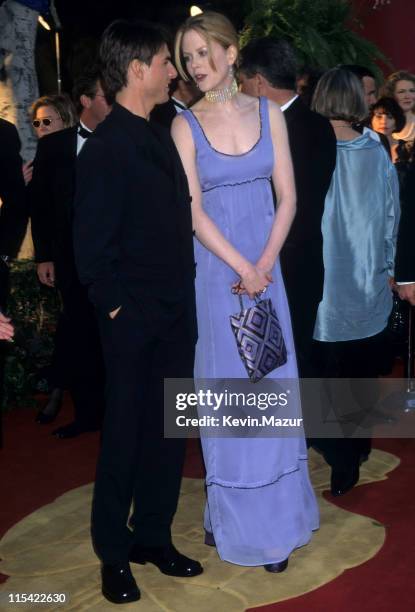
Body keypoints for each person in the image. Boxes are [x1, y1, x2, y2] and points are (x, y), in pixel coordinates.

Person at [172, 11, 318, 571]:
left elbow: (289, 197)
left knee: (271, 390)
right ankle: (234, 519)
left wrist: (263, 265)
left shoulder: (268, 113)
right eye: (187, 58)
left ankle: (275, 524)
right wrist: (242, 266)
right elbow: (192, 211)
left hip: (266, 270)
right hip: (216, 274)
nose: (195, 65)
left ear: (232, 53)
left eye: (204, 52)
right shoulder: (184, 125)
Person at [73, 20, 203, 604]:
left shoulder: (160, 131)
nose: (172, 70)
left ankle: (153, 537)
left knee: (169, 436)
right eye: (163, 61)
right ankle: (113, 553)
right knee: (124, 439)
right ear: (136, 71)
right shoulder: (106, 147)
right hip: (134, 323)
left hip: (178, 319)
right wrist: (124, 313)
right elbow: (92, 254)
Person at [311, 68, 400, 495]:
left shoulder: (303, 147)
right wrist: (390, 267)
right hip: (364, 276)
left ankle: (336, 449)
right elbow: (390, 216)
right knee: (358, 370)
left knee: (325, 370)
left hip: (320, 279)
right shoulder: (376, 149)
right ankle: (351, 453)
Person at [238, 37, 336, 377]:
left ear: (259, 82)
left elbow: (299, 205)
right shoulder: (312, 123)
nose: (240, 90)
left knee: (291, 366)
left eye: (242, 82)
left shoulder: (305, 127)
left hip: (289, 267)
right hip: (280, 264)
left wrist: (261, 262)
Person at [30, 68, 110, 437]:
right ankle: (89, 414)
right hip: (71, 259)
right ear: (86, 101)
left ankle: (122, 414)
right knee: (79, 334)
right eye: (106, 96)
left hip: (116, 258)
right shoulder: (54, 146)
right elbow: (41, 205)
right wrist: (44, 256)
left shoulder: (126, 140)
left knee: (116, 336)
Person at [28, 93, 78, 424]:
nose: (42, 128)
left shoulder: (85, 149)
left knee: (77, 322)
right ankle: (60, 388)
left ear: (66, 120)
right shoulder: (39, 160)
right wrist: (44, 257)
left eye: (48, 121)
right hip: (63, 253)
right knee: (72, 319)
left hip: (93, 250)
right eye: (36, 123)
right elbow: (39, 212)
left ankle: (62, 389)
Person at [369, 96, 407, 162]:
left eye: (390, 117)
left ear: (397, 121)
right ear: (371, 120)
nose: (384, 122)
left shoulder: (407, 148)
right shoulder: (364, 147)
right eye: (379, 117)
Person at [382, 70, 415, 146]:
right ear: (391, 95)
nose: (407, 96)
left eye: (412, 91)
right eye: (401, 92)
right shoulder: (381, 123)